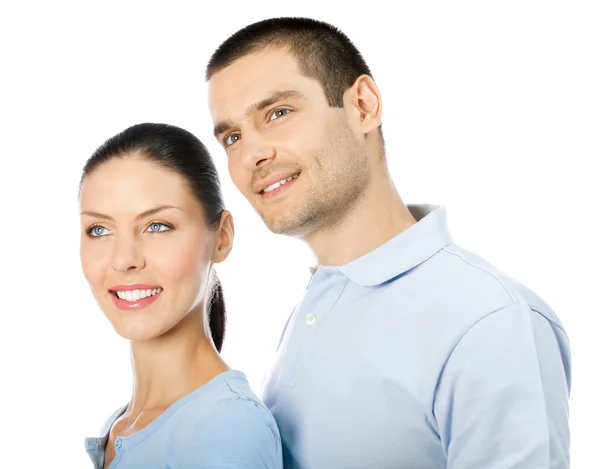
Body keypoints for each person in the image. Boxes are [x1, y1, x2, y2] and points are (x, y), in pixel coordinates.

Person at [205, 17, 571, 469]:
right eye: (232, 137)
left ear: (362, 105)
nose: (250, 155)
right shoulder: (316, 304)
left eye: (278, 113)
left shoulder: (489, 320)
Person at [79, 123, 283, 469]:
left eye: (157, 226)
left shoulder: (227, 430)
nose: (125, 259)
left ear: (222, 238)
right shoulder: (123, 425)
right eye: (100, 230)